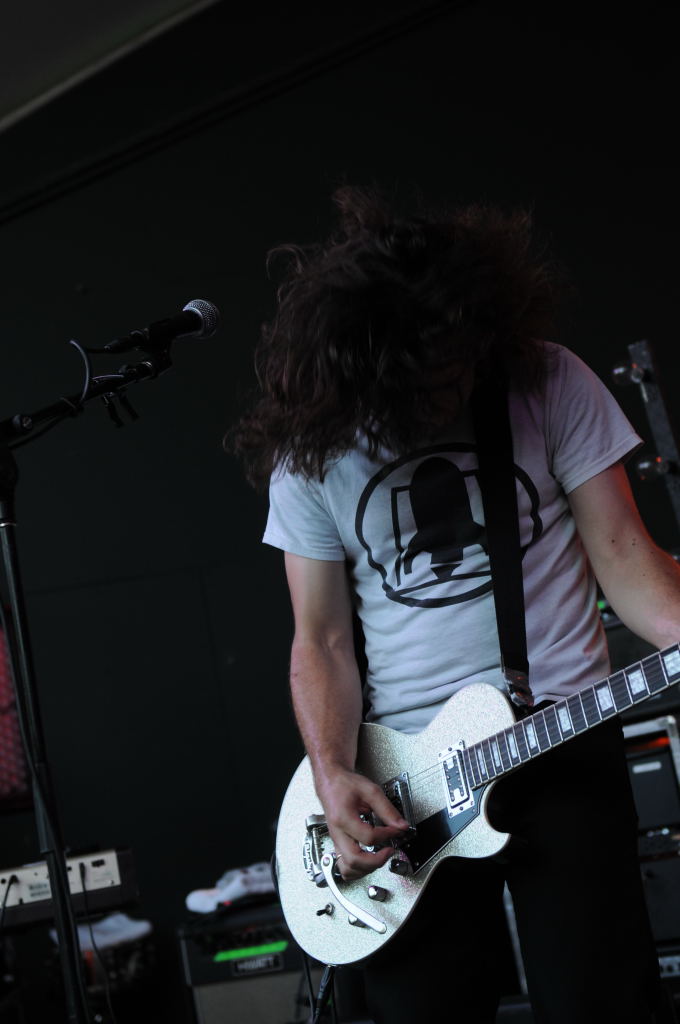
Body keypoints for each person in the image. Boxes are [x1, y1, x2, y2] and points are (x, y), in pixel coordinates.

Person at [232, 187, 680, 1023]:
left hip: (561, 739)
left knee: (604, 1003)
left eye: (453, 372)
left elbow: (635, 571)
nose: (443, 396)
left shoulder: (548, 380)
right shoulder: (314, 449)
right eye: (417, 387)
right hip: (403, 784)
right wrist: (332, 773)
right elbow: (320, 641)